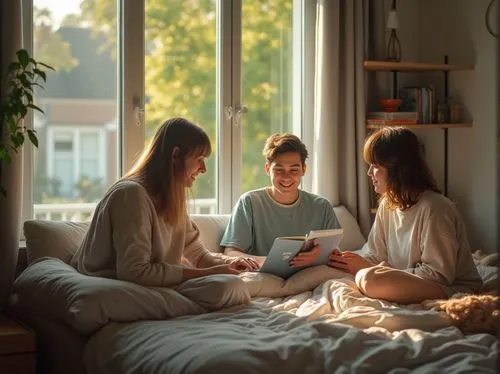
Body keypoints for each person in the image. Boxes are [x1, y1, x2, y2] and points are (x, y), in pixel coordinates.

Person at [71, 117, 259, 288]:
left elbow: (199, 256)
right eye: (199, 159)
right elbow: (134, 272)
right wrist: (207, 274)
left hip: (146, 285)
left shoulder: (171, 197)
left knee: (230, 287)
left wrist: (230, 265)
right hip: (115, 287)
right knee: (226, 290)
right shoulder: (131, 195)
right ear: (175, 155)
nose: (204, 169)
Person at [328, 127, 482, 304]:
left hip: (451, 288)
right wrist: (343, 260)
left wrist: (375, 269)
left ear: (397, 168)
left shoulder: (436, 208)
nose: (369, 173)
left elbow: (439, 274)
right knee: (357, 274)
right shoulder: (387, 204)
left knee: (369, 279)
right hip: (408, 281)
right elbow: (375, 255)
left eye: (375, 166)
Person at [220, 133, 341, 270]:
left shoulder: (322, 206)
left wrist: (317, 256)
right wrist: (271, 261)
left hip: (308, 275)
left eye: (294, 170)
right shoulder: (249, 202)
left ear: (304, 170)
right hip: (266, 277)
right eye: (279, 170)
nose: (286, 177)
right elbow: (230, 253)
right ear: (267, 169)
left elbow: (335, 254)